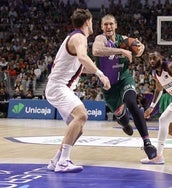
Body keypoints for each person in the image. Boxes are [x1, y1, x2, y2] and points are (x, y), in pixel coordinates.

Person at [45, 9, 111, 173]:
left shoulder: (75, 38)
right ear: (88, 21)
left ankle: (56, 160)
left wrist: (97, 71)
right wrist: (100, 74)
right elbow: (83, 58)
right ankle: (63, 162)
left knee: (78, 129)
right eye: (92, 21)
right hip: (58, 87)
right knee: (82, 115)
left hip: (58, 87)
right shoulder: (79, 37)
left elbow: (80, 66)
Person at [92, 14, 157, 160]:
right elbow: (96, 51)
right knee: (123, 119)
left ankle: (147, 143)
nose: (108, 27)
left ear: (116, 25)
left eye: (111, 24)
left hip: (124, 78)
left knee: (132, 103)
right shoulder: (100, 39)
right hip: (109, 86)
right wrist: (120, 51)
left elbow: (140, 47)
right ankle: (124, 123)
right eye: (105, 24)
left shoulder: (125, 40)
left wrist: (141, 48)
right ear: (102, 27)